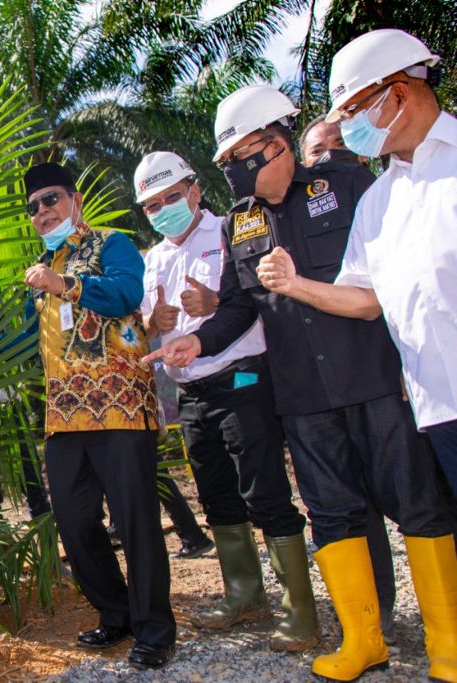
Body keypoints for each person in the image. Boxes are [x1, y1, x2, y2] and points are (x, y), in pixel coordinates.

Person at [143, 83, 454, 682]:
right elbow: (238, 307)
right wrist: (197, 340)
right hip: (302, 398)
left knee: (417, 504)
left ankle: (447, 643)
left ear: (274, 145)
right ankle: (362, 640)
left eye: (237, 159)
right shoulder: (241, 222)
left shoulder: (348, 188)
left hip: (373, 380)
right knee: (331, 514)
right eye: (226, 164)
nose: (231, 173)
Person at [258, 28, 457, 681]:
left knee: (420, 509)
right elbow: (364, 298)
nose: (348, 132)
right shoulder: (382, 200)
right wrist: (292, 286)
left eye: (352, 114)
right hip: (436, 402)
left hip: (402, 394)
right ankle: (391, 643)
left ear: (398, 92)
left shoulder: (431, 172)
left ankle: (449, 646)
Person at [0, 162, 176, 668]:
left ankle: (155, 629)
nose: (42, 212)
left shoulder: (112, 243)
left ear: (75, 200)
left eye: (51, 200)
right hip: (64, 414)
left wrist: (62, 283)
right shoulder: (40, 270)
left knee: (135, 521)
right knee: (72, 518)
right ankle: (117, 614)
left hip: (120, 406)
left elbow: (127, 294)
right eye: (34, 207)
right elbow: (29, 339)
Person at [135, 151, 316, 651]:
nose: (164, 208)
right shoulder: (153, 260)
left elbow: (250, 303)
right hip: (191, 393)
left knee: (264, 492)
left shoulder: (229, 231)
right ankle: (244, 594)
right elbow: (149, 326)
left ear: (195, 190)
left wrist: (213, 307)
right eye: (152, 205)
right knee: (217, 496)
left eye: (172, 196)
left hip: (240, 381)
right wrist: (158, 325)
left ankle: (299, 609)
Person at [298, 114, 399, 645]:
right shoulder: (294, 210)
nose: (329, 155)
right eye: (317, 150)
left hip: (390, 374)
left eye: (340, 144)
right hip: (326, 384)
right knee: (352, 506)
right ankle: (375, 617)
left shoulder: (387, 195)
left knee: (416, 496)